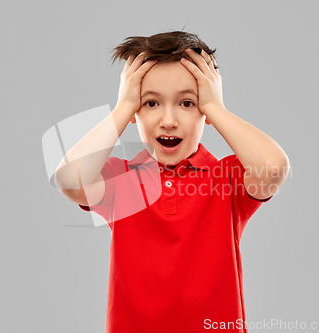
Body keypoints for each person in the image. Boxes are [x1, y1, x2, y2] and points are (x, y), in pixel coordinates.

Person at [54, 30, 290, 333]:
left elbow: (272, 168)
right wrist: (122, 107)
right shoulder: (123, 182)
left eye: (187, 103)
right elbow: (68, 180)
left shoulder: (227, 179)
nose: (168, 120)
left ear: (204, 111)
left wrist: (216, 108)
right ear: (135, 111)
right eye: (151, 103)